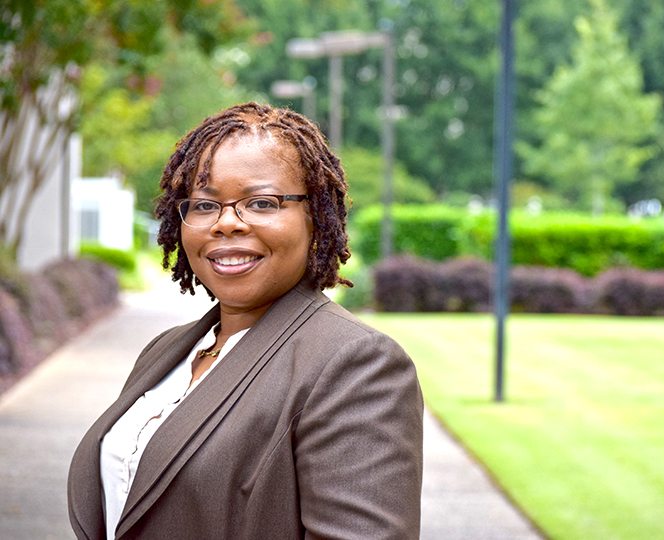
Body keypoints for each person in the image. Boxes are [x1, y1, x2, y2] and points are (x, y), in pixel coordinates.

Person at [67, 102, 423, 540]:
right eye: (204, 206)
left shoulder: (355, 365)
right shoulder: (167, 351)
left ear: (315, 216)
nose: (227, 224)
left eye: (260, 202)